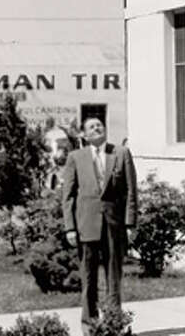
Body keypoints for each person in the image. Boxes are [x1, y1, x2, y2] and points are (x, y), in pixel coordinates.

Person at [61, 115, 137, 332]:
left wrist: (130, 223)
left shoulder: (121, 153)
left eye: (99, 125)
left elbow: (131, 192)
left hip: (114, 226)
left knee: (114, 278)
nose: (97, 128)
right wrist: (70, 227)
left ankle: (114, 324)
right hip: (86, 226)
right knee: (88, 278)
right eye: (91, 127)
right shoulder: (76, 157)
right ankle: (90, 326)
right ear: (84, 135)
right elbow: (68, 196)